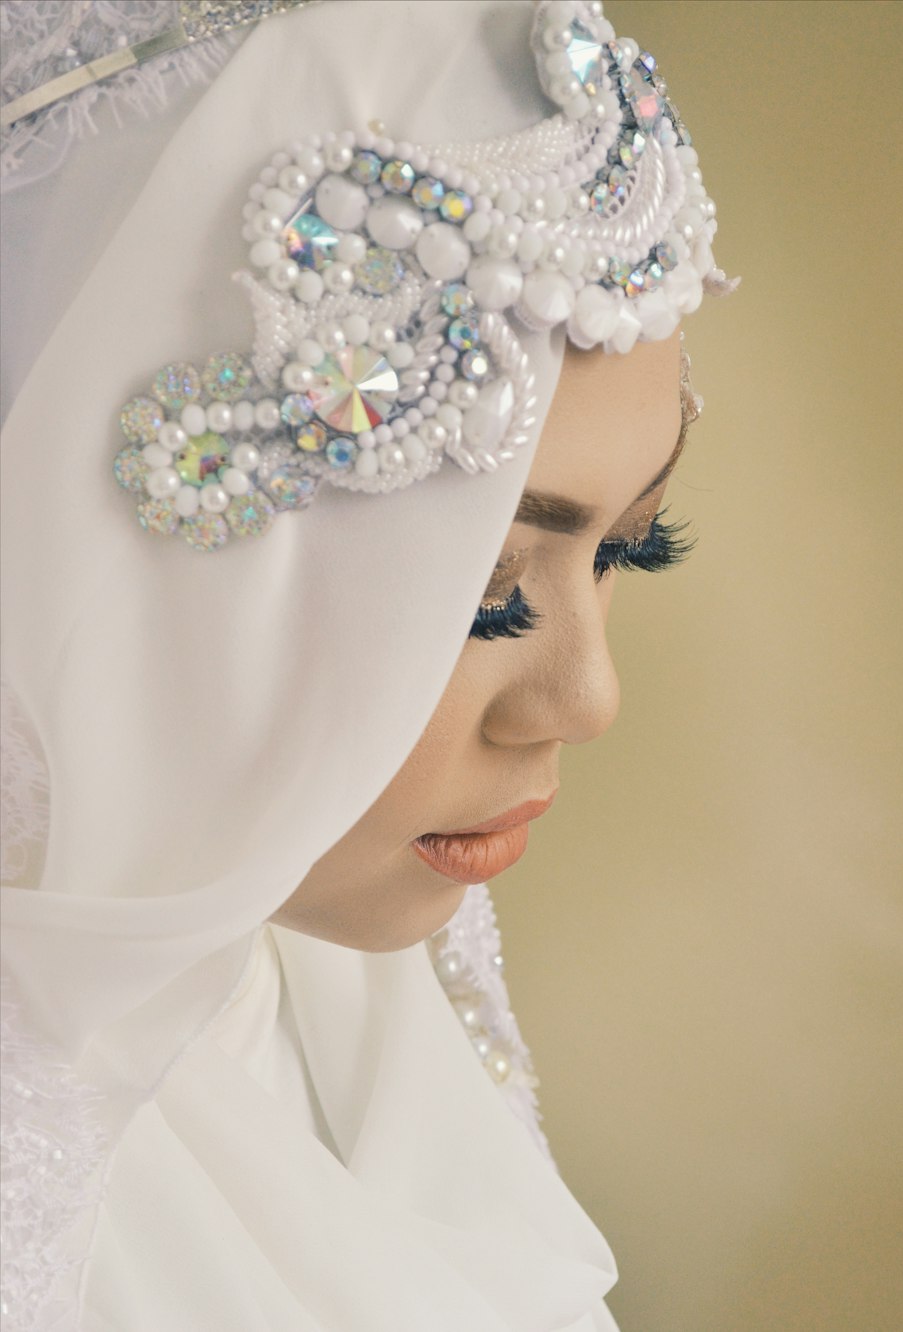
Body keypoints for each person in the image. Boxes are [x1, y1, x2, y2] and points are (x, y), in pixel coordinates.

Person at [0, 1, 733, 1326]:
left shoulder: (312, 982)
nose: (587, 700)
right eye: (483, 596)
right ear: (106, 572)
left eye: (635, 546)